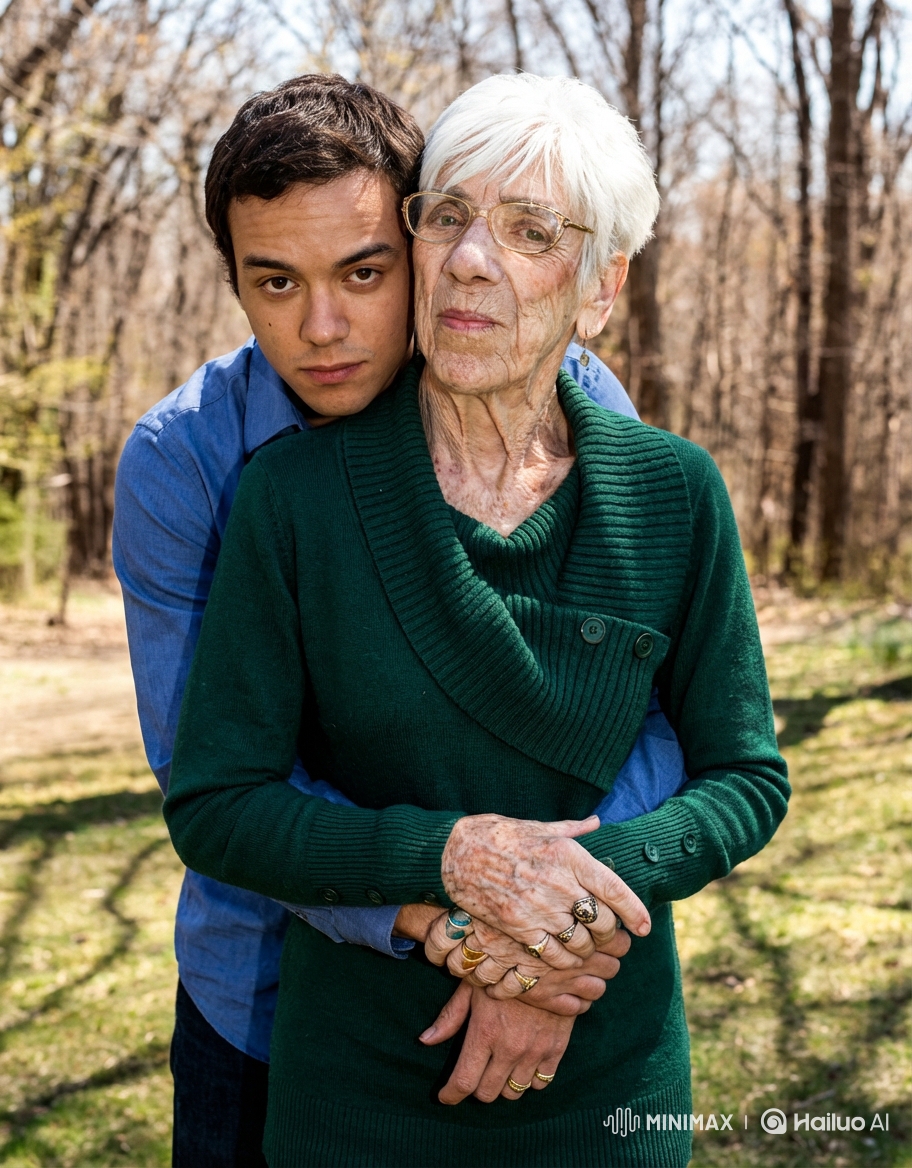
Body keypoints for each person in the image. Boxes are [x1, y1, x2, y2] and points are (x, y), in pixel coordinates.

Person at [163, 72, 789, 1167]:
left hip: (606, 1060)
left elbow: (745, 776)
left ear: (600, 288)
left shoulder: (673, 492)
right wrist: (452, 860)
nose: (468, 259)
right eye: (447, 216)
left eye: (531, 231)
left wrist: (568, 916)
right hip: (356, 1083)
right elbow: (220, 805)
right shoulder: (291, 498)